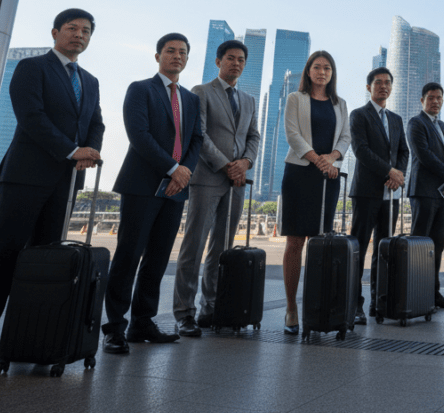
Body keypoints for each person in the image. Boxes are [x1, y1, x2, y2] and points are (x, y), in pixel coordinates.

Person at [0, 9, 104, 374]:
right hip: (26, 176)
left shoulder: (90, 80)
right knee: (4, 256)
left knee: (47, 262)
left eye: (86, 31)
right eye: (72, 28)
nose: (79, 35)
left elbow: (96, 123)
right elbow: (31, 117)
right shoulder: (33, 68)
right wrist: (71, 150)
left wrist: (88, 151)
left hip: (66, 182)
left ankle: (35, 339)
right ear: (55, 31)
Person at [102, 33, 203, 354]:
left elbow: (196, 140)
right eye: (170, 51)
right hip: (142, 186)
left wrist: (183, 172)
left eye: (182, 52)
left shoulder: (190, 99)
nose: (177, 56)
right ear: (158, 56)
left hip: (175, 190)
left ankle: (142, 322)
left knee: (158, 258)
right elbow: (139, 135)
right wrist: (173, 169)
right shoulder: (140, 89)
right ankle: (114, 327)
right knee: (129, 255)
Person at [172, 39, 260, 337]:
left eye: (241, 60)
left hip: (237, 183)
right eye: (230, 58)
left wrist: (245, 162)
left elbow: (254, 137)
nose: (236, 63)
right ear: (218, 61)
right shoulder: (201, 92)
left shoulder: (248, 100)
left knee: (221, 249)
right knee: (194, 246)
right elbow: (200, 134)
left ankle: (211, 307)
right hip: (208, 177)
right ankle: (185, 312)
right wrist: (227, 165)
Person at [280, 50, 351, 335]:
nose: (322, 72)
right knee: (295, 241)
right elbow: (293, 134)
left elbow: (345, 137)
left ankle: (315, 306)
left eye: (327, 68)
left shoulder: (341, 104)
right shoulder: (296, 99)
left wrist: (331, 158)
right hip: (300, 173)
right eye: (317, 67)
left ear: (332, 74)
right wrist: (318, 159)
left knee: (320, 244)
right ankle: (290, 308)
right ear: (308, 71)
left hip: (328, 176)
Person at [348, 67, 408, 324]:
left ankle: (379, 302)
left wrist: (399, 173)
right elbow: (360, 150)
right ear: (368, 87)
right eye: (378, 82)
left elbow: (404, 151)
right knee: (359, 249)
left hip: (390, 195)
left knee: (384, 249)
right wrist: (390, 171)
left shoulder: (396, 119)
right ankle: (354, 305)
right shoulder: (359, 115)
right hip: (366, 192)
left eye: (387, 83)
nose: (383, 86)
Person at [405, 82, 444, 309]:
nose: (435, 101)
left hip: (443, 194)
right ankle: (414, 293)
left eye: (439, 98)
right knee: (419, 244)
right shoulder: (415, 123)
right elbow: (424, 155)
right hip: (423, 192)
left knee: (437, 246)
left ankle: (433, 294)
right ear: (422, 100)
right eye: (431, 98)